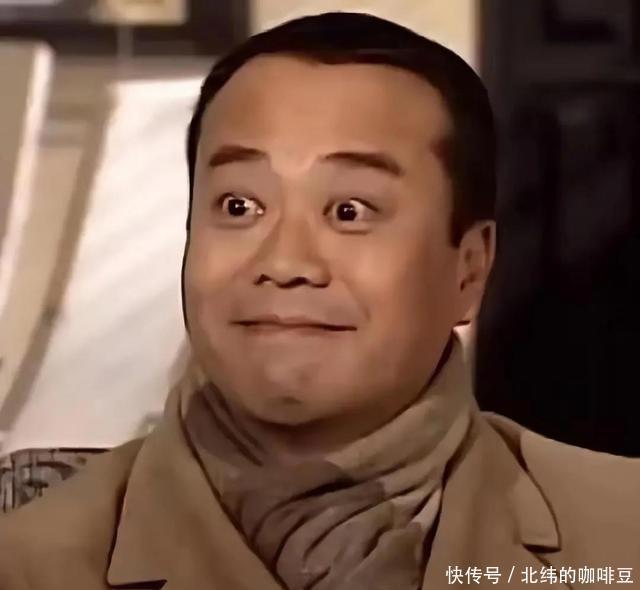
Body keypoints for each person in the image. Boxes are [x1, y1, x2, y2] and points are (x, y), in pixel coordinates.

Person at [1, 12, 639, 590]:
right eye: (239, 206)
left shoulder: (623, 541)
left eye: (349, 211)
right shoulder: (28, 564)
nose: (284, 263)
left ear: (469, 270)